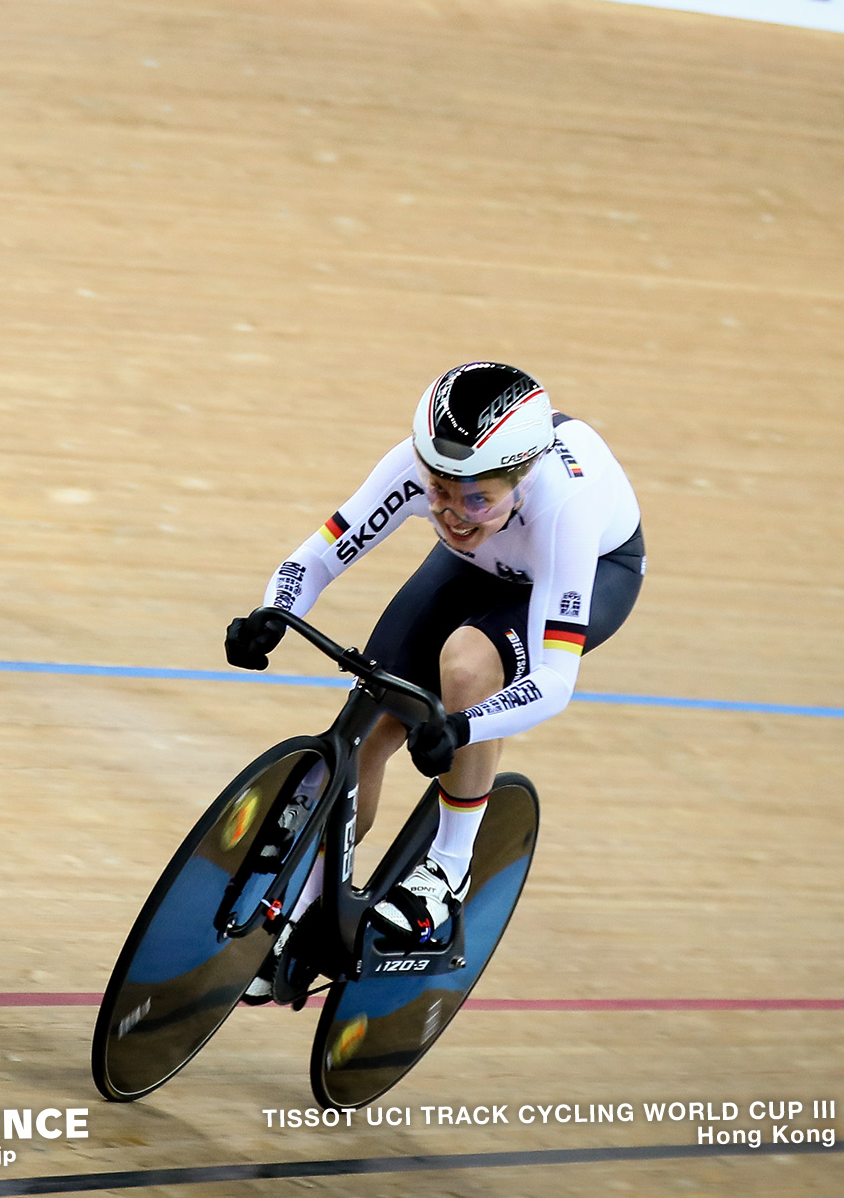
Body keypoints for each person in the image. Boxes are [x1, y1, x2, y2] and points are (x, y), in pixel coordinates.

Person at [225, 362, 643, 1001]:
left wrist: (461, 724)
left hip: (587, 571)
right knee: (372, 719)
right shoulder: (419, 471)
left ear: (523, 478)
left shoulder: (566, 509)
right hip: (478, 563)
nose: (453, 510)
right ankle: (309, 902)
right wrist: (275, 613)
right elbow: (318, 555)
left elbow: (556, 683)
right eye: (440, 491)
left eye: (478, 497)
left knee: (467, 667)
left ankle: (445, 874)